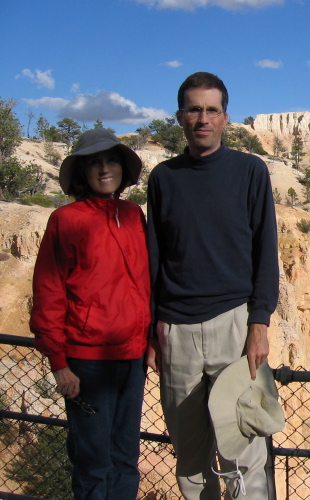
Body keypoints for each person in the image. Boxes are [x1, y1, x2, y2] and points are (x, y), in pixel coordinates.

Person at [146, 71, 280, 499]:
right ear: (180, 117)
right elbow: (155, 259)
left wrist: (258, 323)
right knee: (189, 455)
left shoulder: (250, 171)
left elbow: (266, 250)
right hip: (176, 333)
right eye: (194, 109)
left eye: (211, 110)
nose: (202, 118)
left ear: (226, 117)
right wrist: (152, 330)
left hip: (233, 328)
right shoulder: (163, 178)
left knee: (244, 449)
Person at [30, 129, 150, 500]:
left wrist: (151, 342)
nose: (103, 169)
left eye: (110, 160)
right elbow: (48, 293)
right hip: (87, 362)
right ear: (82, 171)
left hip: (132, 358)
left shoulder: (132, 216)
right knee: (93, 464)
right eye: (94, 162)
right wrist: (59, 362)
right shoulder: (65, 220)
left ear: (122, 168)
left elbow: (146, 283)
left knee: (125, 459)